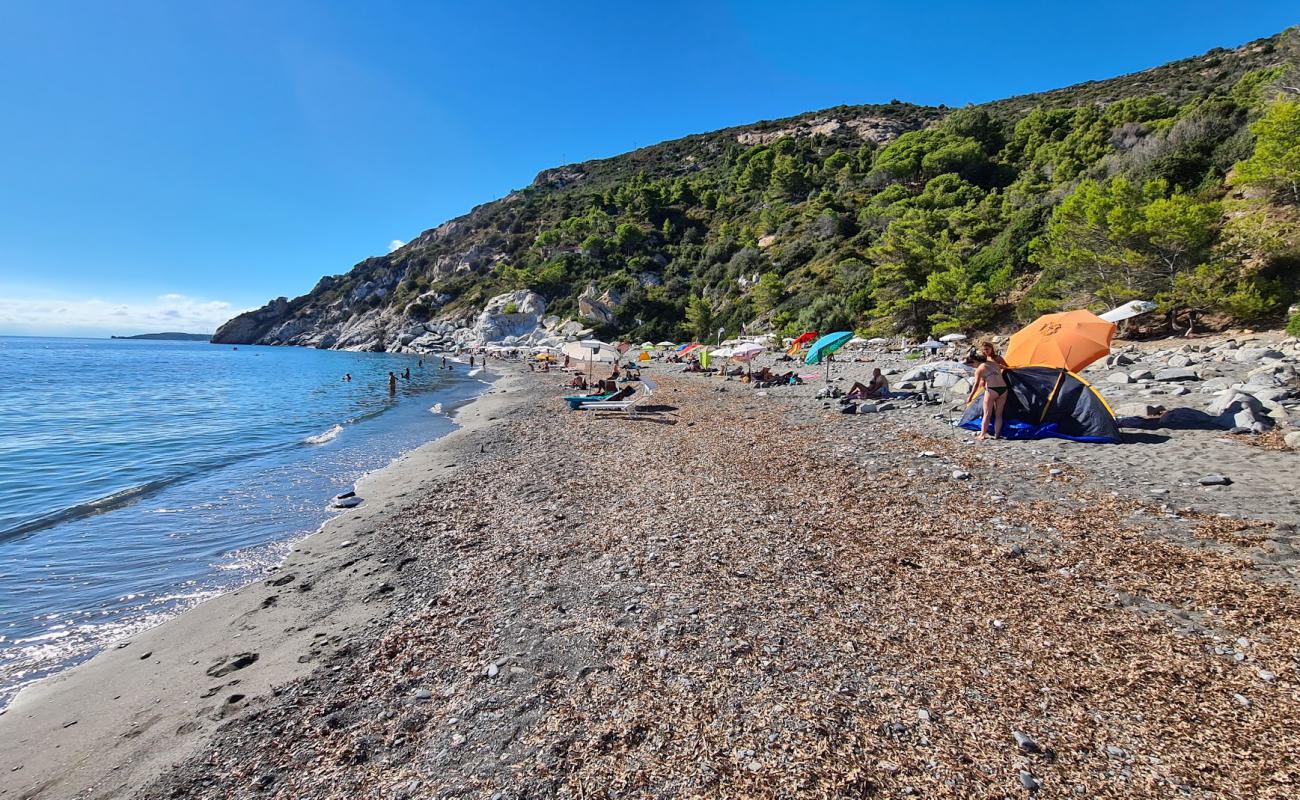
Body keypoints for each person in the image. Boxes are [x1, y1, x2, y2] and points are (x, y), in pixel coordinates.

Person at [966, 353, 1008, 440]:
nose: (973, 366)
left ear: (975, 361)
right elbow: (1004, 367)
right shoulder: (994, 363)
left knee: (987, 414)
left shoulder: (980, 368)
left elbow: (976, 385)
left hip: (992, 389)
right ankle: (997, 435)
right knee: (999, 414)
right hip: (1003, 389)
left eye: (972, 364)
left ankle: (982, 435)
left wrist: (970, 396)